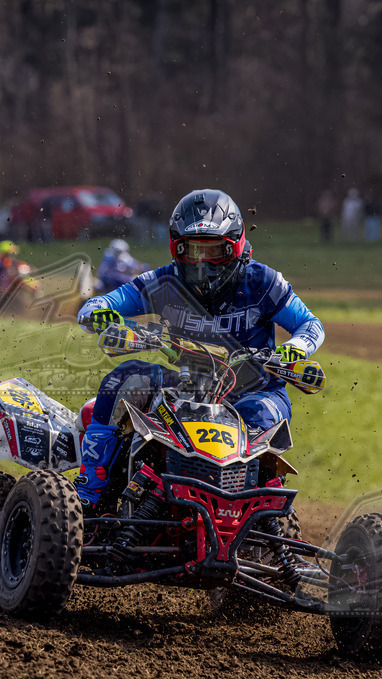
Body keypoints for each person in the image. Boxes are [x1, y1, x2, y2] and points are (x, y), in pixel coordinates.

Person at [75, 189, 324, 512]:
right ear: (177, 248)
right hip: (187, 386)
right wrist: (99, 314)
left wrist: (294, 349)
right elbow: (98, 304)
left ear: (234, 245)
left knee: (259, 422)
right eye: (193, 251)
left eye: (215, 251)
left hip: (256, 391)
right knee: (122, 379)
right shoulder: (164, 281)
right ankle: (90, 492)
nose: (203, 264)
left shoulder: (264, 282)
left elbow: (310, 325)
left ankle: (270, 514)